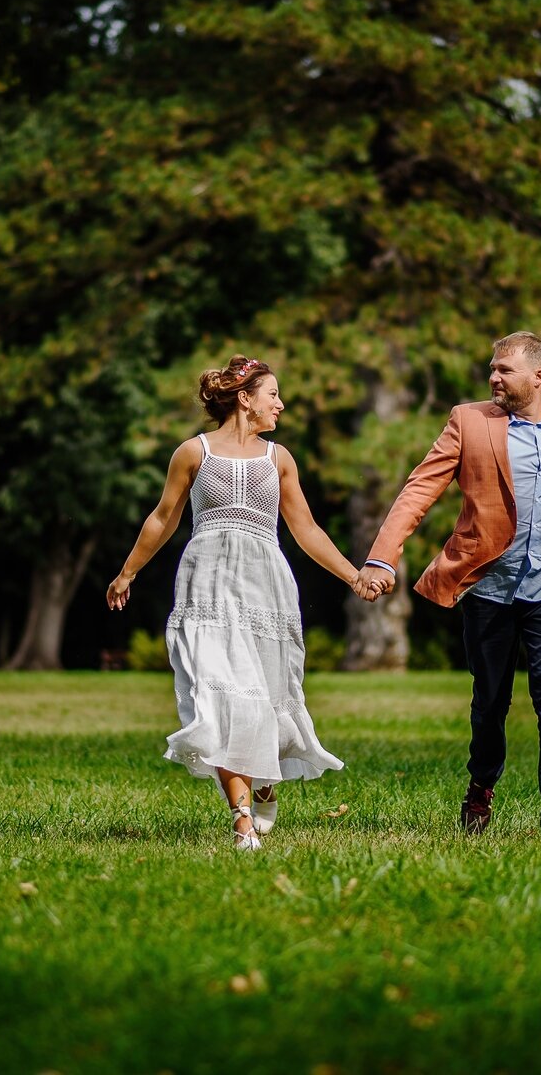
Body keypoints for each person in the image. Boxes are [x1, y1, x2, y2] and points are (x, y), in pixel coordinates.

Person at [357, 332, 541, 840]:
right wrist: (382, 557)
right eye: (492, 369)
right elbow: (419, 490)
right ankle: (482, 785)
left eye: (505, 370)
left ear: (539, 377)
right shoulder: (469, 421)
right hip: (491, 589)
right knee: (490, 702)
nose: (493, 378)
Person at [107, 356, 364, 850]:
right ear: (246, 398)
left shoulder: (279, 459)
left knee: (263, 696)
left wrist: (352, 575)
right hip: (206, 584)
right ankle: (242, 818)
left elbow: (305, 529)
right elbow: (162, 519)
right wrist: (128, 571)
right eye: (273, 395)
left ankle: (263, 778)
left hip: (264, 585)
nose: (280, 404)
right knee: (220, 693)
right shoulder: (192, 452)